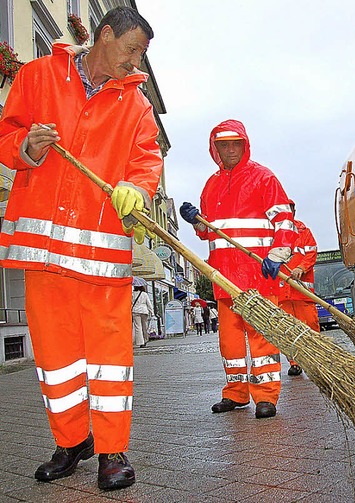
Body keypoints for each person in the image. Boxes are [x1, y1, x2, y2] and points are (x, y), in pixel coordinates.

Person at [0, 7, 162, 491]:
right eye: (132, 50)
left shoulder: (136, 107)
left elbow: (146, 159)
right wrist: (28, 145)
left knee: (109, 357)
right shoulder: (37, 76)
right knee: (55, 357)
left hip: (100, 255)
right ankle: (72, 442)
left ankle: (112, 450)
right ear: (104, 35)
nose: (136, 64)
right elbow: (6, 135)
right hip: (43, 251)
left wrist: (138, 187)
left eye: (142, 56)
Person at [180, 119, 296, 419]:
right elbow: (208, 233)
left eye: (235, 144)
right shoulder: (212, 184)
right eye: (223, 145)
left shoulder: (263, 178)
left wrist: (278, 254)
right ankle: (236, 392)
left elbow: (284, 221)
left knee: (262, 337)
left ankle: (266, 396)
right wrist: (195, 219)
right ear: (214, 148)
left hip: (258, 275)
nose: (230, 150)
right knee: (230, 342)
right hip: (224, 278)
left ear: (244, 145)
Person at [277, 200, 320, 376]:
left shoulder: (304, 231)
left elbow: (311, 253)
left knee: (310, 325)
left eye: (291, 209)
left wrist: (301, 268)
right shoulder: (274, 233)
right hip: (282, 293)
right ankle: (295, 363)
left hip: (301, 291)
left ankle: (317, 358)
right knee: (288, 330)